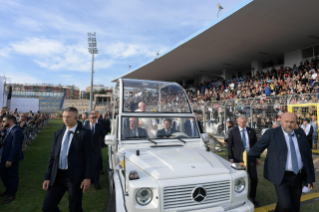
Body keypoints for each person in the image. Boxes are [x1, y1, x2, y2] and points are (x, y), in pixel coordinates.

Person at [248, 113, 316, 212]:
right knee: (285, 205)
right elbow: (255, 150)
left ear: (296, 123)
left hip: (298, 176)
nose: (289, 124)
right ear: (281, 121)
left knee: (295, 206)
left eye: (292, 122)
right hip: (281, 176)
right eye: (286, 121)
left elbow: (308, 157)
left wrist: (311, 178)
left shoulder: (300, 134)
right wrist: (244, 163)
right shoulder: (271, 134)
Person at [42, 107, 93, 212]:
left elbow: (89, 157)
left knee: (75, 208)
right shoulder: (58, 133)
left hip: (75, 177)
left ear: (76, 117)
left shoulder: (85, 133)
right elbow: (52, 157)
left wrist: (87, 177)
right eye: (64, 116)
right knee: (47, 207)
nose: (65, 119)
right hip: (57, 176)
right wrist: (47, 177)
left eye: (68, 117)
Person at [227, 115, 260, 206]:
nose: (242, 124)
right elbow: (229, 146)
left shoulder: (251, 131)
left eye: (244, 122)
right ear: (237, 122)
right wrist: (231, 158)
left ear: (246, 122)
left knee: (254, 178)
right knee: (239, 179)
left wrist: (258, 157)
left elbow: (256, 145)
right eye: (240, 122)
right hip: (238, 159)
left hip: (251, 158)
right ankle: (238, 197)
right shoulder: (233, 131)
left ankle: (253, 195)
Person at [0, 115, 24, 204]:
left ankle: (11, 194)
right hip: (5, 157)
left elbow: (15, 147)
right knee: (2, 173)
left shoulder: (16, 131)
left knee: (12, 175)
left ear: (10, 121)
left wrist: (10, 160)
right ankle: (8, 189)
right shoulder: (10, 130)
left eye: (4, 121)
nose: (2, 123)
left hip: (11, 158)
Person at [84, 112, 106, 189]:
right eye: (92, 117)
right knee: (88, 165)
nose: (94, 119)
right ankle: (91, 179)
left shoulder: (99, 126)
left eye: (95, 117)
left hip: (96, 149)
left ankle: (96, 181)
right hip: (86, 149)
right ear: (89, 118)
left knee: (96, 165)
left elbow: (104, 134)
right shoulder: (85, 125)